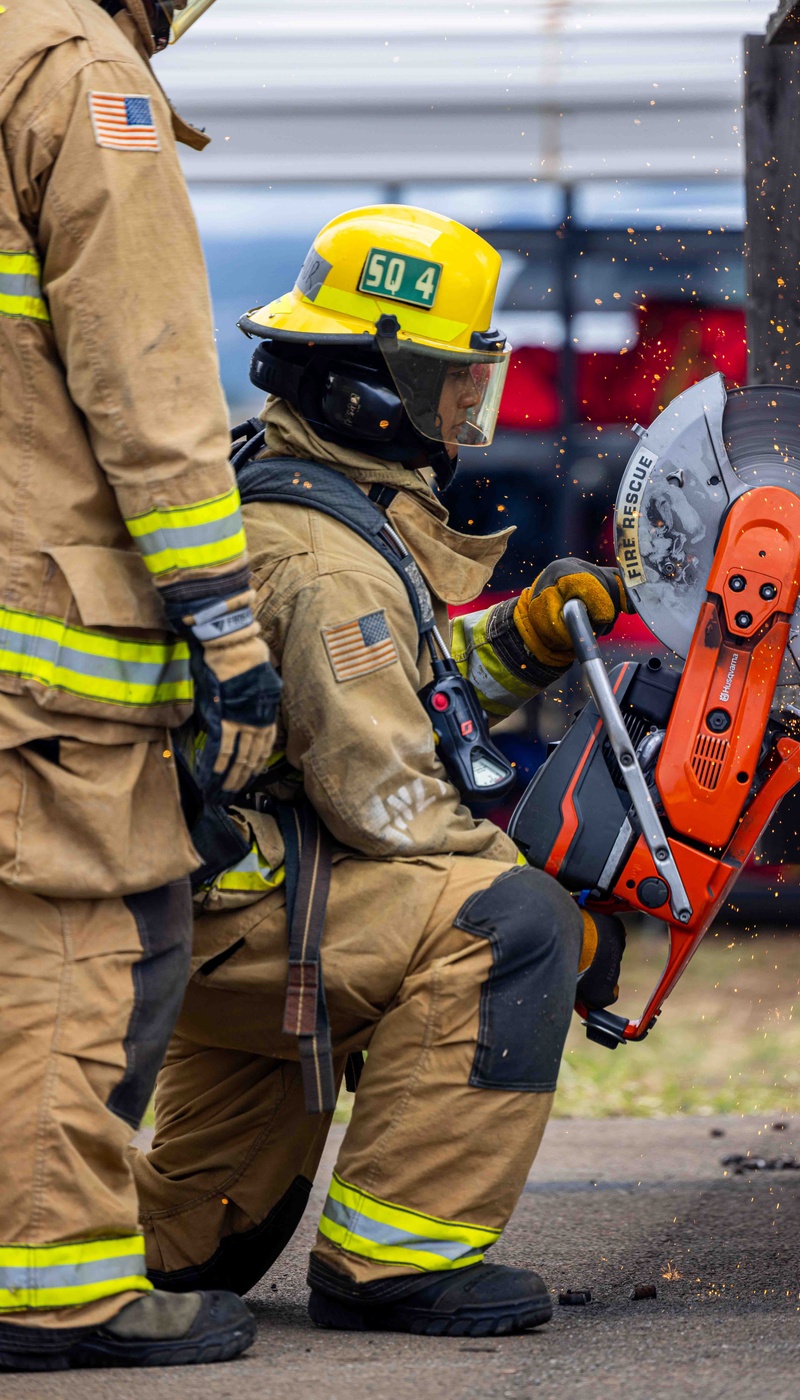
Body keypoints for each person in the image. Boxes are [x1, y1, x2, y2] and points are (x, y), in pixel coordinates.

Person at [132, 204, 628, 1338]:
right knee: (509, 922)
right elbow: (388, 796)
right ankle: (399, 1260)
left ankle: (115, 1242)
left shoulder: (292, 490)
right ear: (368, 386)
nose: (466, 409)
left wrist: (523, 640)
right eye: (447, 381)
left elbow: (373, 696)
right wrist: (555, 916)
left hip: (221, 895)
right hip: (254, 917)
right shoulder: (321, 557)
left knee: (200, 1235)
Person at [0, 0, 281, 1373]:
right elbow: (149, 375)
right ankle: (55, 1291)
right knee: (68, 942)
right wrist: (226, 624)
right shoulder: (78, 74)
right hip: (37, 639)